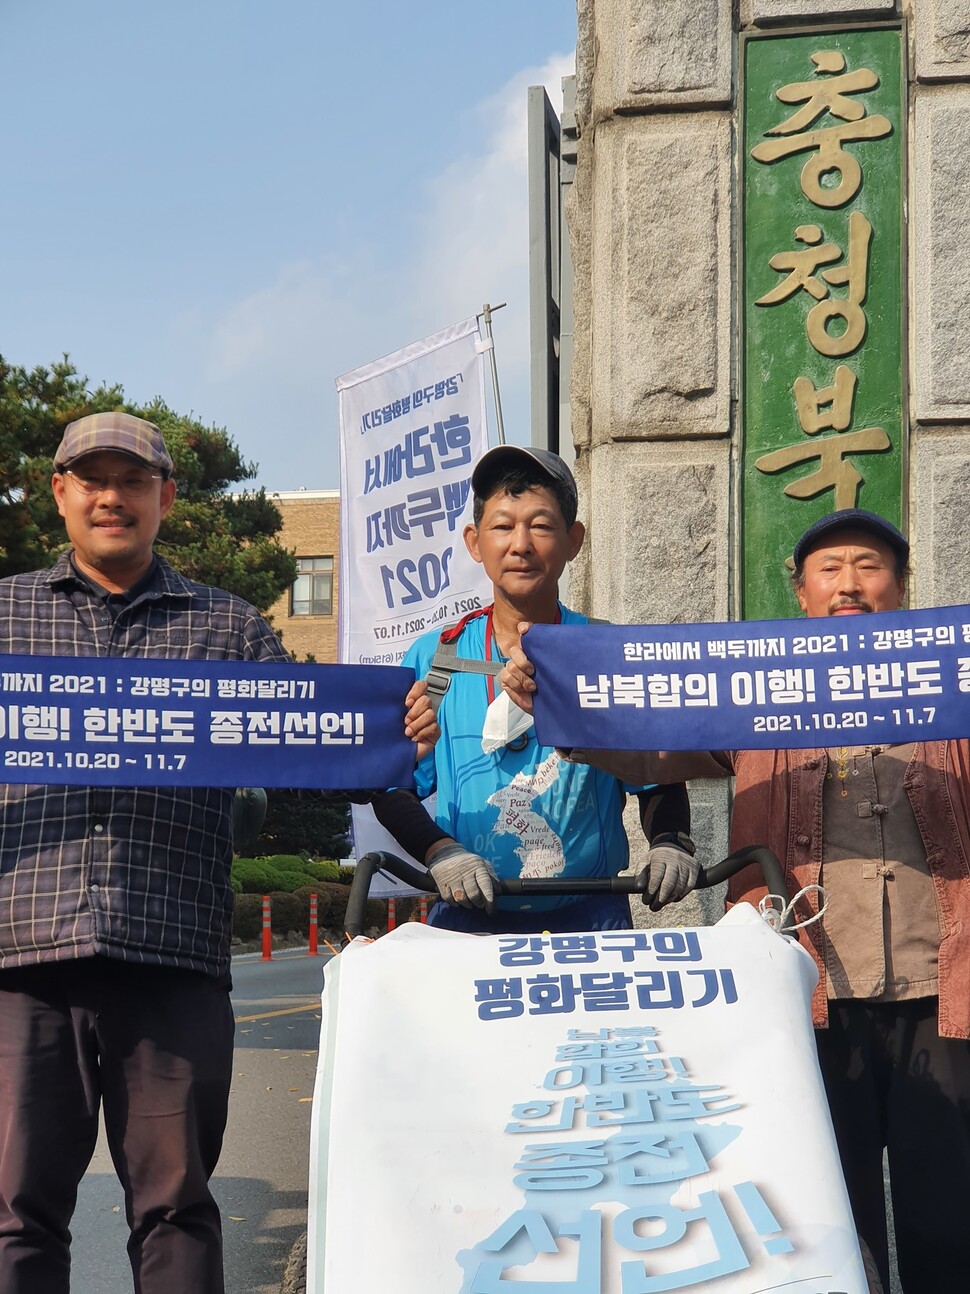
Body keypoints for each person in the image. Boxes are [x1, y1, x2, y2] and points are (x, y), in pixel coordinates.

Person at [501, 506, 970, 1293]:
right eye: (829, 568)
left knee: (948, 1220)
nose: (849, 584)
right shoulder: (758, 692)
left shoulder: (950, 685)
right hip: (803, 1001)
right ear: (801, 592)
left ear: (903, 585)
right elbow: (650, 747)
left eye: (868, 566)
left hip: (941, 1000)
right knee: (822, 1222)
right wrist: (558, 709)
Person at [0, 411, 410, 1294]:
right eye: (93, 479)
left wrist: (393, 736)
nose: (114, 498)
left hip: (173, 953)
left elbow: (315, 750)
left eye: (134, 481)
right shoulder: (3, 615)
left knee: (177, 1204)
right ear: (60, 494)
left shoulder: (225, 631)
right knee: (14, 1210)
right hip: (22, 955)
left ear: (167, 499)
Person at [375, 444, 698, 933]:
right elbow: (392, 783)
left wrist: (671, 841)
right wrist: (441, 853)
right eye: (502, 526)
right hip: (468, 918)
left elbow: (656, 775)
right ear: (473, 542)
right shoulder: (433, 658)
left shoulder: (609, 654)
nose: (520, 544)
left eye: (541, 526)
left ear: (574, 540)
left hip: (593, 920)